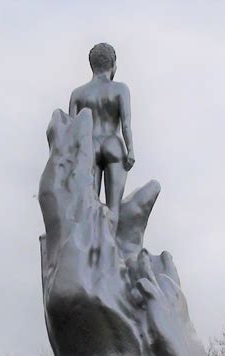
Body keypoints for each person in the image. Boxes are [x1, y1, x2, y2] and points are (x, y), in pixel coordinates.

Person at [69, 43, 135, 228]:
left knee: (89, 207)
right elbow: (126, 124)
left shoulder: (78, 94)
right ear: (113, 63)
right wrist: (130, 150)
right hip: (113, 144)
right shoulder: (120, 89)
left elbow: (72, 131)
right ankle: (111, 249)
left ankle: (92, 249)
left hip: (90, 147)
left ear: (92, 65)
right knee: (114, 210)